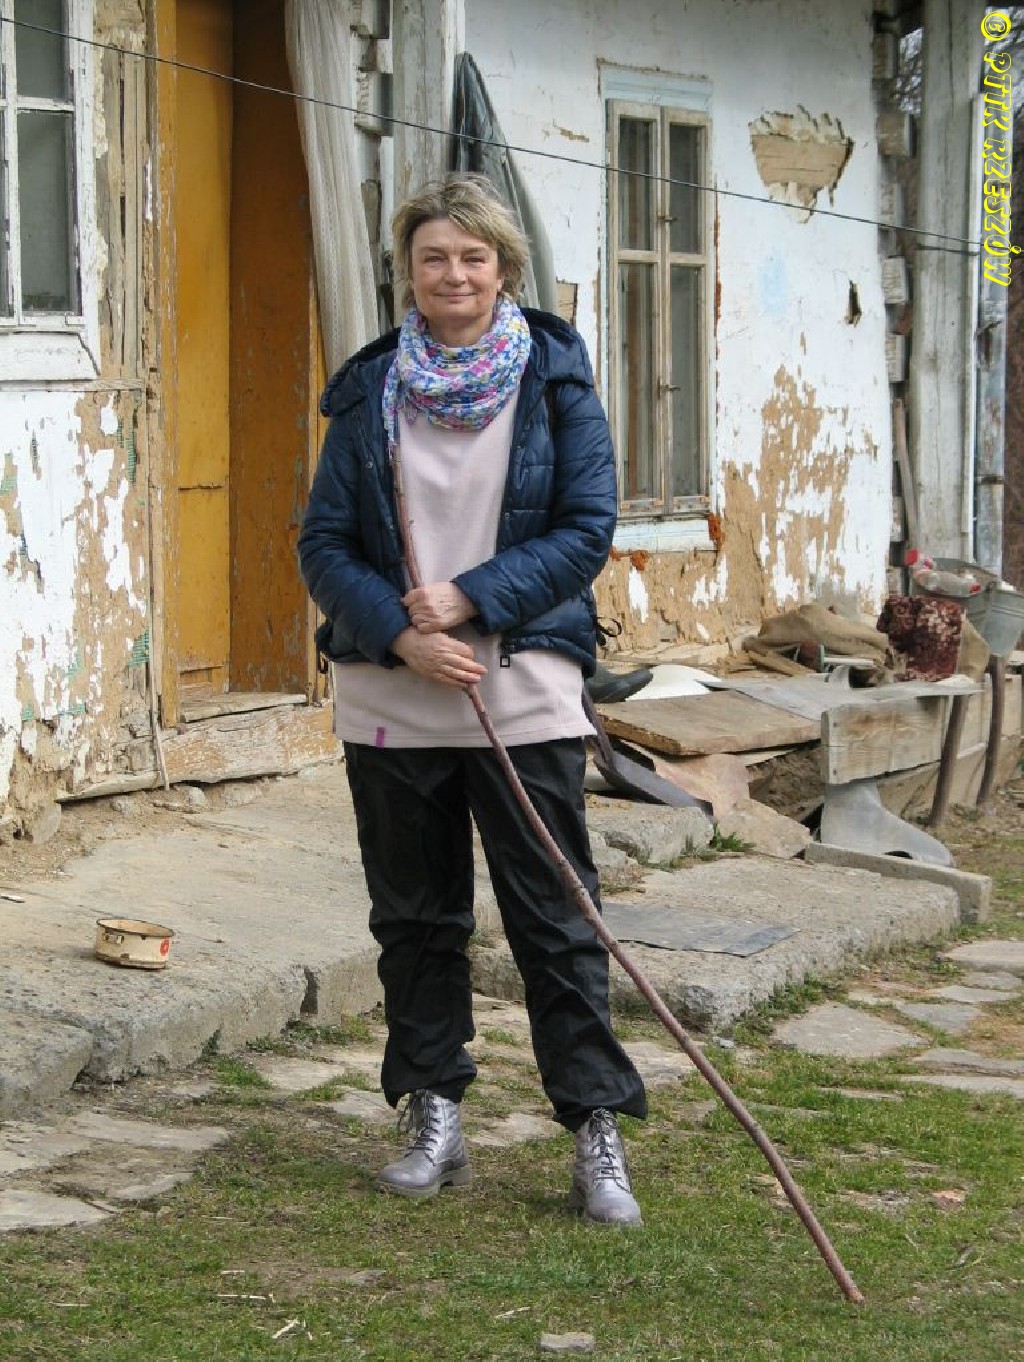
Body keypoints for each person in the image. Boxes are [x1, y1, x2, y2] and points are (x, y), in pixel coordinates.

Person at [298, 172, 647, 1226]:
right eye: (433, 258)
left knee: (556, 917)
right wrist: (402, 634)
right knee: (415, 918)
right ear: (407, 272)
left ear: (505, 269)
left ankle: (594, 1130)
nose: (453, 275)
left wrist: (470, 600)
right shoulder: (370, 387)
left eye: (472, 257)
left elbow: (586, 527)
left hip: (522, 683)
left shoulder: (555, 381)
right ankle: (434, 1113)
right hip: (392, 692)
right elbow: (324, 543)